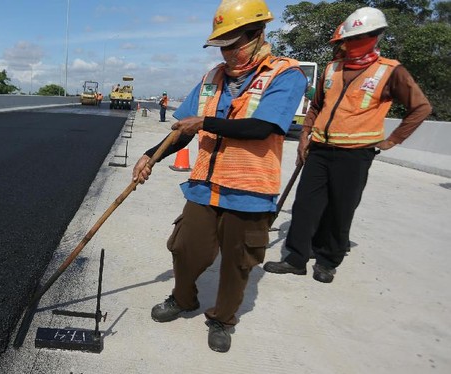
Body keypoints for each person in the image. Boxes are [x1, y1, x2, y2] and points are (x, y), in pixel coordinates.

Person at [131, 0, 306, 352]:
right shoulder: (211, 78)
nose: (226, 53)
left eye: (233, 44)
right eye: (221, 46)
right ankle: (183, 300)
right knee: (184, 248)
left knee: (237, 263)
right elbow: (183, 129)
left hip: (250, 190)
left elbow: (264, 127)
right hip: (204, 187)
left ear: (258, 35)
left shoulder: (286, 75)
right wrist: (151, 155)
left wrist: (206, 122)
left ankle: (223, 319)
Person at [263, 7, 432, 283]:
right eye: (347, 39)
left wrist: (392, 140)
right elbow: (316, 106)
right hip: (319, 150)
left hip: (355, 155)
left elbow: (421, 108)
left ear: (375, 36)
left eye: (357, 38)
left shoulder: (390, 71)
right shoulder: (332, 69)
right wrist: (304, 136)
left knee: (341, 208)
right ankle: (295, 258)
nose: (348, 45)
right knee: (306, 205)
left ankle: (327, 260)